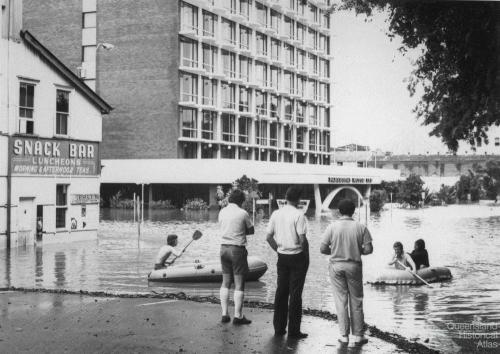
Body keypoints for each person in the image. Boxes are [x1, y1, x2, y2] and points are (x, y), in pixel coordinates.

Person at [320, 199, 373, 347]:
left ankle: (344, 336)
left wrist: (336, 251)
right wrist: (357, 249)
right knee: (356, 300)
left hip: (336, 266)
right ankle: (358, 336)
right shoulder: (361, 227)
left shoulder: (332, 227)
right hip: (354, 266)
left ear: (339, 211)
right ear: (353, 211)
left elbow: (323, 249)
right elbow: (369, 250)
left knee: (340, 301)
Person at [266, 186, 309, 339]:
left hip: (282, 256)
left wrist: (277, 249)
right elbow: (303, 240)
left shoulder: (276, 213)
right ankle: (294, 331)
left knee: (281, 292)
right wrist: (306, 257)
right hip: (297, 256)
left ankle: (279, 328)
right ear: (298, 199)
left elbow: (268, 237)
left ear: (285, 197)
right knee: (295, 294)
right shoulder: (299, 215)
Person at [219, 189, 254, 325]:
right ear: (241, 201)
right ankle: (238, 316)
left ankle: (224, 314)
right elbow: (251, 230)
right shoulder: (243, 213)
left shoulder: (222, 212)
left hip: (223, 248)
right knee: (239, 284)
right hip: (237, 249)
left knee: (225, 281)